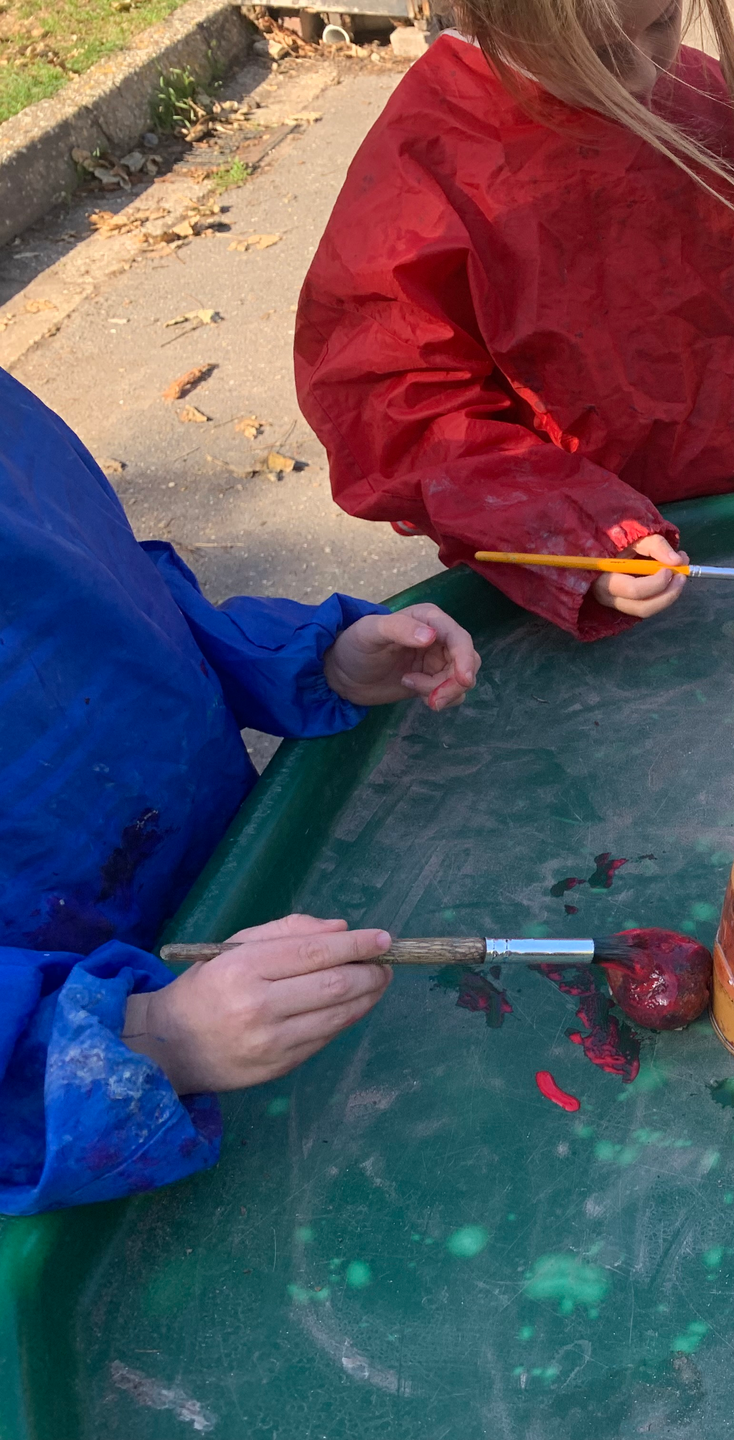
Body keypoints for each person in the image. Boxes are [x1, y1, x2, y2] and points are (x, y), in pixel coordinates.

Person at [1, 371, 481, 1215]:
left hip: (244, 882)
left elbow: (117, 604)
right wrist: (152, 1039)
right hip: (85, 1114)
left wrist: (312, 662)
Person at [296, 0, 734, 640]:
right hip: (563, 556)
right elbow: (401, 408)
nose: (645, 74)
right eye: (607, 51)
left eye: (664, 21)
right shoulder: (429, 160)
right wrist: (581, 532)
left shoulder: (702, 97)